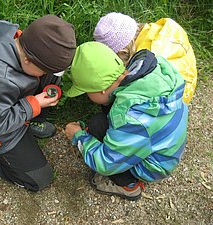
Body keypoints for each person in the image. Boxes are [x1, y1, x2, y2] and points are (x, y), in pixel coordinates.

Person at [0, 15, 76, 192]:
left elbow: (45, 70)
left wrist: (39, 96)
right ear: (28, 60)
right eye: (44, 69)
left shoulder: (24, 43)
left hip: (13, 104)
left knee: (52, 78)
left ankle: (28, 123)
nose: (47, 73)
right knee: (39, 180)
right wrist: (32, 105)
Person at [65, 42, 188, 200]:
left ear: (101, 89)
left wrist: (79, 136)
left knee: (98, 125)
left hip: (155, 165)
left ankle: (129, 186)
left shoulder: (132, 118)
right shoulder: (146, 73)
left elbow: (107, 162)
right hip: (166, 145)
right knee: (102, 119)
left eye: (87, 92)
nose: (87, 97)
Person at [93, 12, 197, 104]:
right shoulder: (160, 28)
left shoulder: (143, 63)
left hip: (175, 100)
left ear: (122, 52)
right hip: (188, 79)